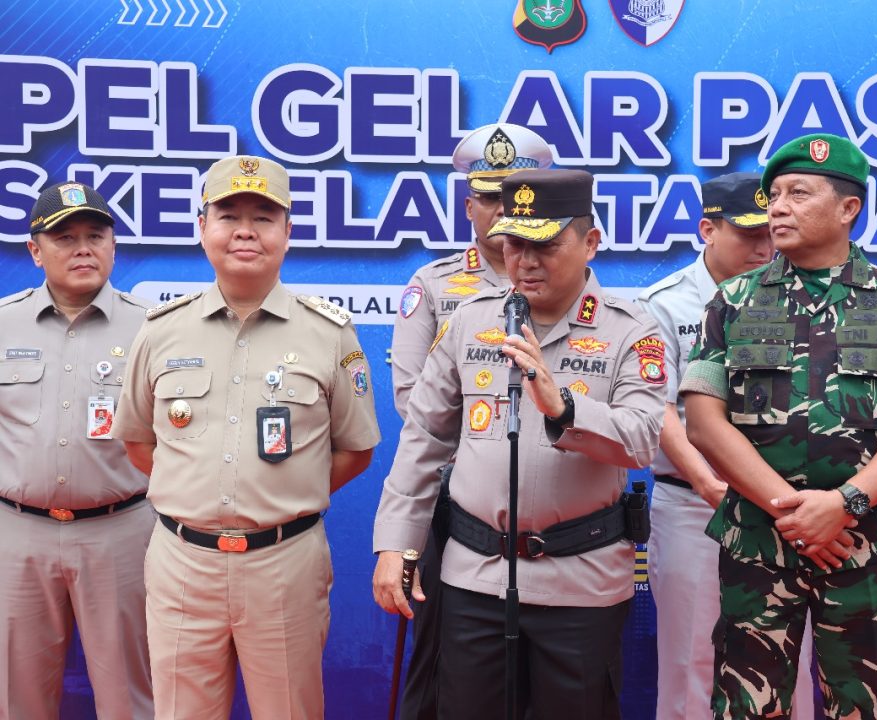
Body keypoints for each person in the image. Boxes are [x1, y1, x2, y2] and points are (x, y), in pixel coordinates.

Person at [680, 133, 877, 720]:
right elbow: (704, 423)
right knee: (747, 708)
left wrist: (843, 504)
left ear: (848, 207)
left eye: (798, 194)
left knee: (865, 708)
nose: (777, 208)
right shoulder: (731, 301)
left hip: (867, 546)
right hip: (761, 544)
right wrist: (793, 511)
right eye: (775, 195)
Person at [372, 168, 666, 719]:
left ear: (590, 242)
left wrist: (565, 409)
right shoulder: (469, 321)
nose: (526, 261)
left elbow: (642, 440)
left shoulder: (632, 330)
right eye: (513, 244)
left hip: (580, 582)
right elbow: (425, 438)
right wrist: (396, 544)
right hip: (473, 578)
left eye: (545, 246)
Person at [114, 155, 381, 719]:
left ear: (288, 230)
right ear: (201, 226)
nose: (245, 231)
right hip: (182, 562)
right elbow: (138, 443)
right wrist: (198, 493)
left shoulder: (329, 332)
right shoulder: (161, 331)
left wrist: (281, 495)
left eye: (263, 216)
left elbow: (356, 449)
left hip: (285, 563)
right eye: (228, 215)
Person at [390, 123, 551, 719]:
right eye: (489, 196)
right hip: (455, 500)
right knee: (443, 656)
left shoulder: (564, 280)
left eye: (516, 195)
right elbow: (414, 400)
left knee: (545, 662)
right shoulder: (433, 286)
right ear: (468, 207)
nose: (503, 209)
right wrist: (484, 453)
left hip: (546, 496)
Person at [638, 172, 813, 720]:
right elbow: (658, 408)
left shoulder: (802, 295)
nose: (764, 248)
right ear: (708, 230)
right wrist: (708, 482)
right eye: (748, 235)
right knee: (692, 657)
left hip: (784, 506)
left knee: (792, 658)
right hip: (694, 505)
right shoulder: (663, 305)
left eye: (770, 234)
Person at [0, 181, 154, 719]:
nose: (83, 248)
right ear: (35, 250)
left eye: (95, 235)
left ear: (113, 245)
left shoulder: (154, 328)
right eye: (65, 238)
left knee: (132, 698)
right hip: (17, 534)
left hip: (123, 532)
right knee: (15, 697)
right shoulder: (3, 322)